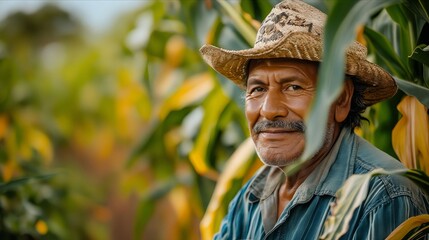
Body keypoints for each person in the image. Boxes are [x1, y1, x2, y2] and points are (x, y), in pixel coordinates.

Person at [199, 0, 429, 239]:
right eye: (257, 89)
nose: (268, 110)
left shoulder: (383, 198)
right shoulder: (252, 196)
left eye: (293, 87)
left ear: (341, 100)